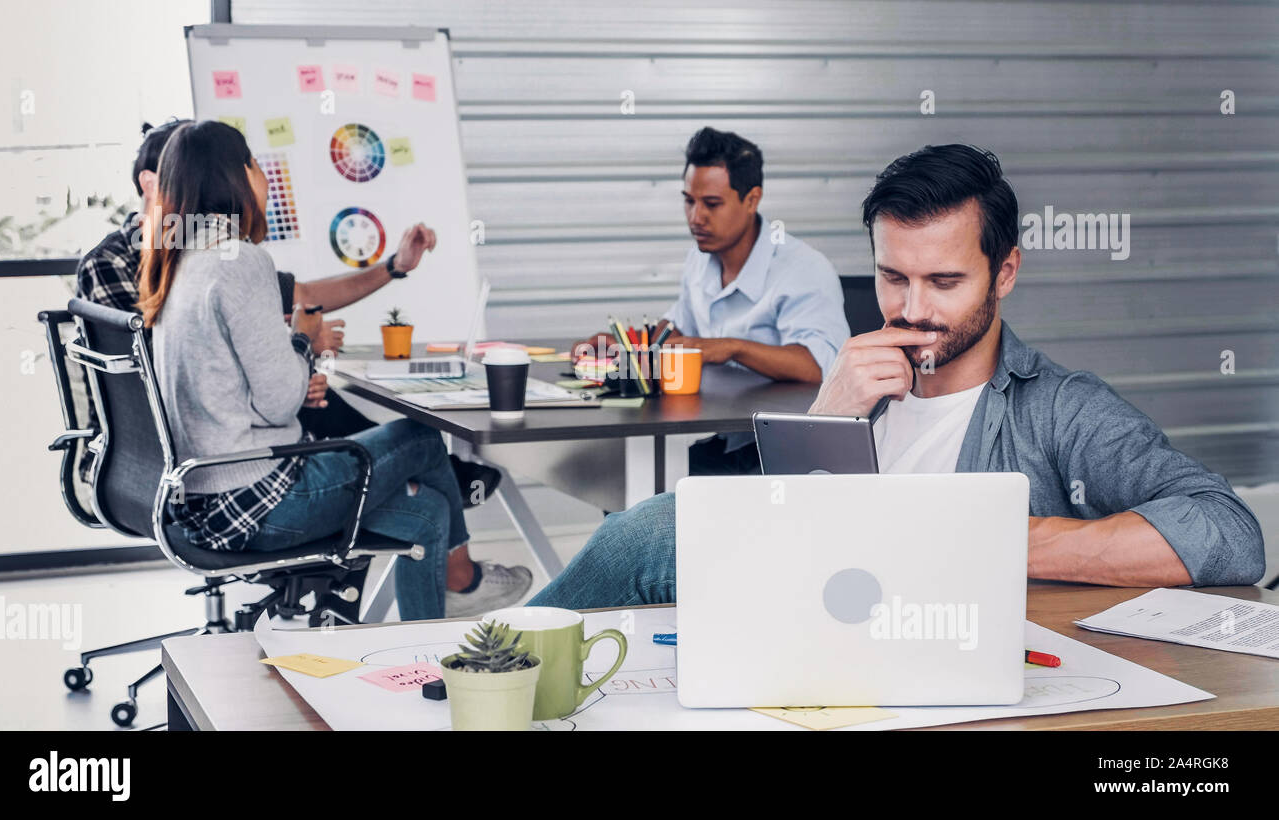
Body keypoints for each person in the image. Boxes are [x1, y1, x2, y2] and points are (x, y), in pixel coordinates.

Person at [530, 143, 1265, 608]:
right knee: (638, 534)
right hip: (818, 608)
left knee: (651, 531)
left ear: (1004, 272)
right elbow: (772, 529)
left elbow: (1228, 534)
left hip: (931, 623)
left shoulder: (1060, 409)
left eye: (944, 281)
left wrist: (986, 537)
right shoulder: (859, 377)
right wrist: (827, 417)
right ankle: (496, 671)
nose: (912, 310)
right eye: (891, 277)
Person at [76, 120, 526, 617]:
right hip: (258, 502)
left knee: (427, 514)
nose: (265, 180)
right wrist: (302, 338)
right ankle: (461, 581)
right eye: (256, 166)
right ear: (237, 177)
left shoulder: (175, 261)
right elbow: (281, 400)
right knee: (420, 438)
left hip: (200, 501)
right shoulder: (240, 261)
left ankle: (425, 649)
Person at [572, 127, 849, 475]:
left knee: (650, 485)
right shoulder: (700, 259)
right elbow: (676, 330)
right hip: (729, 439)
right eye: (689, 200)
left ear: (752, 199)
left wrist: (732, 348)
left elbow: (822, 367)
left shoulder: (804, 268)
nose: (695, 217)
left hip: (789, 453)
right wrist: (625, 345)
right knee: (619, 471)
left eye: (712, 204)